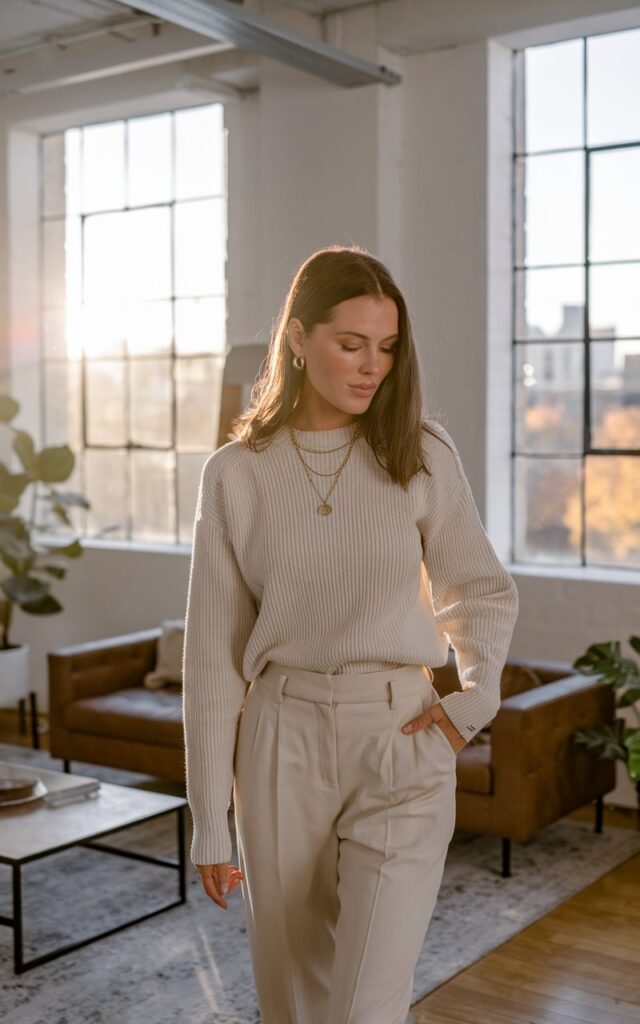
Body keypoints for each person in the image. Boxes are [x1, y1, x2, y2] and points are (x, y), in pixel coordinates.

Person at [182, 244, 519, 1024]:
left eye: (388, 348)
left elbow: (481, 588)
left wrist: (472, 702)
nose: (373, 367)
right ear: (297, 340)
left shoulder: (421, 452)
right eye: (351, 344)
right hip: (278, 741)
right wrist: (208, 819)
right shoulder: (234, 474)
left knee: (366, 1004)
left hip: (403, 735)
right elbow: (210, 662)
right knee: (292, 998)